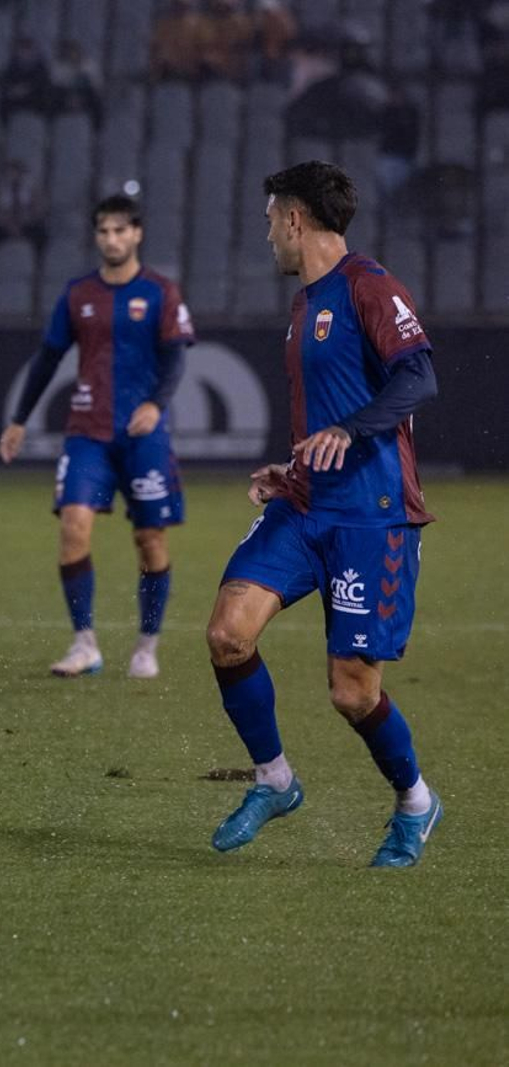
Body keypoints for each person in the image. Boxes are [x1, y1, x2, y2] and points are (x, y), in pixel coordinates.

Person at [205, 160, 442, 868]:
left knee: (351, 691)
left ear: (295, 219)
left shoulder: (369, 285)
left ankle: (415, 802)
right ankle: (275, 779)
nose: (267, 233)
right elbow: (329, 410)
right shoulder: (305, 305)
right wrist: (295, 467)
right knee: (227, 633)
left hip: (371, 518)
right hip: (306, 505)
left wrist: (353, 431)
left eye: (270, 218)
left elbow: (420, 375)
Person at [0, 194, 195, 679]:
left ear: (137, 234)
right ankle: (85, 643)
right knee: (73, 526)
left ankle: (147, 644)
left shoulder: (160, 292)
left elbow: (175, 357)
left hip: (143, 435)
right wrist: (19, 418)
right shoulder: (78, 294)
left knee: (150, 540)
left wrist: (155, 404)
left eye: (120, 230)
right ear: (96, 237)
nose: (112, 239)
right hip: (88, 432)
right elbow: (48, 359)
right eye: (104, 231)